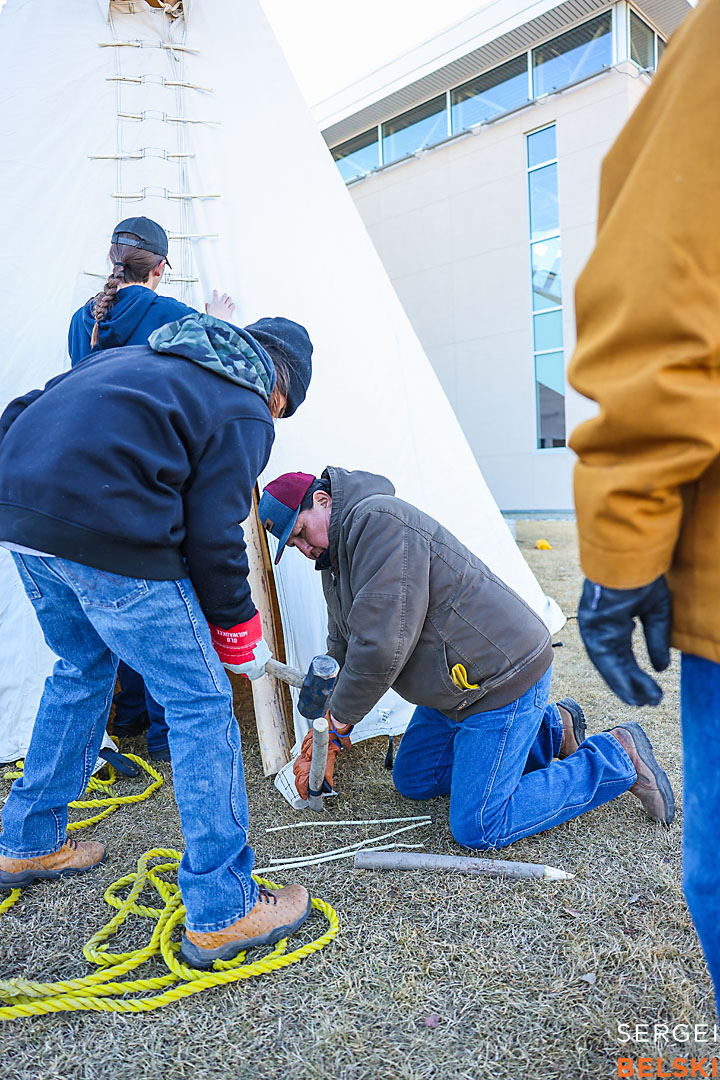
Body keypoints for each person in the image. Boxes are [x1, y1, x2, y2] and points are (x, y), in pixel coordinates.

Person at [0, 310, 313, 969]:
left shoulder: (135, 358)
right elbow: (213, 534)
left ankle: (28, 841)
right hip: (111, 535)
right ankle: (224, 910)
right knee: (199, 704)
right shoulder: (246, 407)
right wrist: (236, 628)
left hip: (22, 516)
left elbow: (27, 405)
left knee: (81, 668)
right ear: (281, 390)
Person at [258, 468, 675, 849]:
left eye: (299, 532)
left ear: (323, 500)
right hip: (454, 690)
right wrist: (323, 727)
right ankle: (551, 728)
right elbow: (342, 646)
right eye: (292, 544)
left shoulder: (377, 522)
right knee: (414, 778)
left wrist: (338, 723)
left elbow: (381, 646)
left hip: (499, 678)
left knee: (479, 824)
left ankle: (616, 755)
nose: (302, 548)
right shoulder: (336, 563)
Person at [566, 0, 720, 1007]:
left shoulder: (382, 538)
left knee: (479, 809)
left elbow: (661, 301)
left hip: (481, 672)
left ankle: (604, 762)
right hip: (459, 681)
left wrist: (621, 556)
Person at [68, 215, 234, 760]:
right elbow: (209, 377)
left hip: (90, 484)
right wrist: (217, 324)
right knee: (164, 604)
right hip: (152, 480)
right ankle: (163, 737)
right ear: (160, 268)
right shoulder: (172, 315)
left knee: (118, 603)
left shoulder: (79, 321)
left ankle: (130, 717)